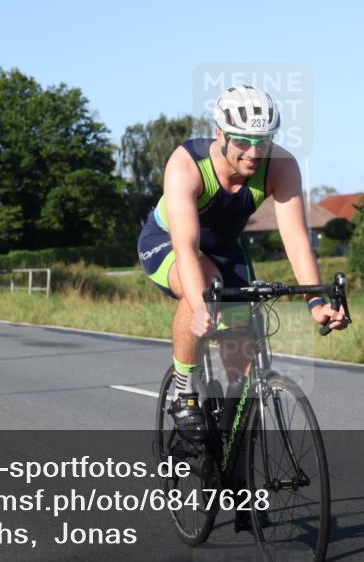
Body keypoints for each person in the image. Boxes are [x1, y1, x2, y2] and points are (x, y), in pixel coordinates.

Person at [137, 85, 347, 445]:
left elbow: (296, 239)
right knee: (201, 290)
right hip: (169, 244)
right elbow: (186, 249)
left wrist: (315, 302)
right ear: (220, 134)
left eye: (263, 142)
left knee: (244, 372)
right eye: (242, 142)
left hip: (226, 250)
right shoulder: (187, 164)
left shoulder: (280, 167)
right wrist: (200, 306)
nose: (254, 152)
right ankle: (184, 393)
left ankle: (232, 460)